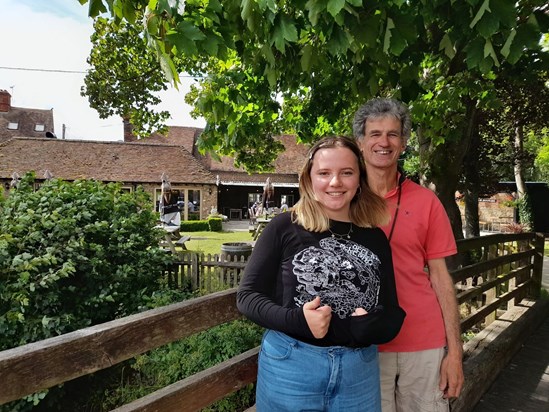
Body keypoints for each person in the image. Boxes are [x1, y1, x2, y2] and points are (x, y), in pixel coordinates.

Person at [237, 136, 405, 411]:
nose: (335, 182)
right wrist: (298, 320)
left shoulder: (374, 237)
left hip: (358, 370)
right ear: (309, 178)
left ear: (360, 178)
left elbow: (392, 310)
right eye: (324, 173)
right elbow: (247, 297)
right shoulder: (284, 226)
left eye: (346, 173)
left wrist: (373, 325)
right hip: (292, 365)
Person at [353, 98, 464, 412]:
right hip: (366, 344)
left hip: (424, 345)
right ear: (360, 142)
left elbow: (442, 279)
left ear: (403, 143)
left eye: (393, 134)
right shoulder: (344, 201)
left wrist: (454, 353)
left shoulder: (427, 202)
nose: (383, 142)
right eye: (375, 134)